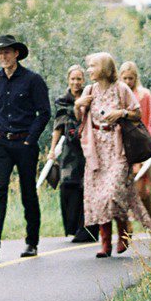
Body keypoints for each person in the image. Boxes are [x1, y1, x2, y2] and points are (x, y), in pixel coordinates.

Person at [0, 33, 51, 260]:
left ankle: (31, 242)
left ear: (17, 53)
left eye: (7, 51)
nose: (3, 56)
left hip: (25, 142)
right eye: (0, 52)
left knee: (28, 192)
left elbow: (44, 112)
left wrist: (31, 139)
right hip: (2, 144)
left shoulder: (32, 80)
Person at [78, 50, 151, 257]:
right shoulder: (89, 90)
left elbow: (137, 113)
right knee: (99, 197)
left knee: (113, 193)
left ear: (104, 68)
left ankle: (123, 232)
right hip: (97, 149)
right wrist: (78, 104)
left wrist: (120, 113)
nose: (89, 70)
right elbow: (80, 118)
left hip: (118, 146)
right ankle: (105, 244)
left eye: (93, 66)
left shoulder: (121, 89)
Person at [47, 63, 95, 242]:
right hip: (69, 149)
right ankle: (73, 228)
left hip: (88, 147)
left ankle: (88, 230)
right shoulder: (62, 100)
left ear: (83, 80)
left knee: (87, 187)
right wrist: (52, 151)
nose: (76, 82)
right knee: (68, 185)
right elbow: (58, 126)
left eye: (79, 79)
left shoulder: (90, 96)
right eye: (73, 79)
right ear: (68, 80)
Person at [119, 59, 151, 234]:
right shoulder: (118, 95)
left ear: (136, 78)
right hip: (123, 146)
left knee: (142, 190)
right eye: (124, 78)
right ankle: (127, 226)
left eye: (131, 78)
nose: (128, 82)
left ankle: (150, 223)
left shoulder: (143, 95)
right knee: (123, 189)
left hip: (141, 145)